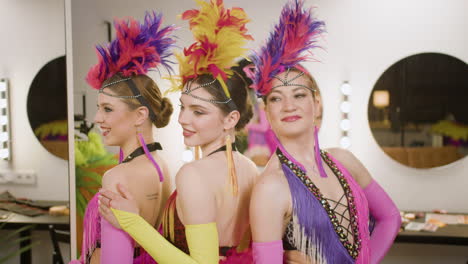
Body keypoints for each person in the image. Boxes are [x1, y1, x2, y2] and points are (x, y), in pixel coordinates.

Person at [98, 0, 258, 263]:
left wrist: (132, 222)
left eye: (198, 111)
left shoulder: (193, 174)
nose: (183, 119)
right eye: (183, 107)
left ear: (230, 119)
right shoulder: (249, 168)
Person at [248, 1, 401, 263]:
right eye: (276, 98)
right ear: (267, 111)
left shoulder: (344, 160)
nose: (288, 106)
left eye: (298, 94)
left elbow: (390, 218)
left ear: (316, 104)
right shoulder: (271, 187)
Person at [70, 11, 176, 264]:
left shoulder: (118, 176)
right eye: (98, 107)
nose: (97, 118)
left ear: (140, 115)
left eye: (107, 109)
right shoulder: (160, 165)